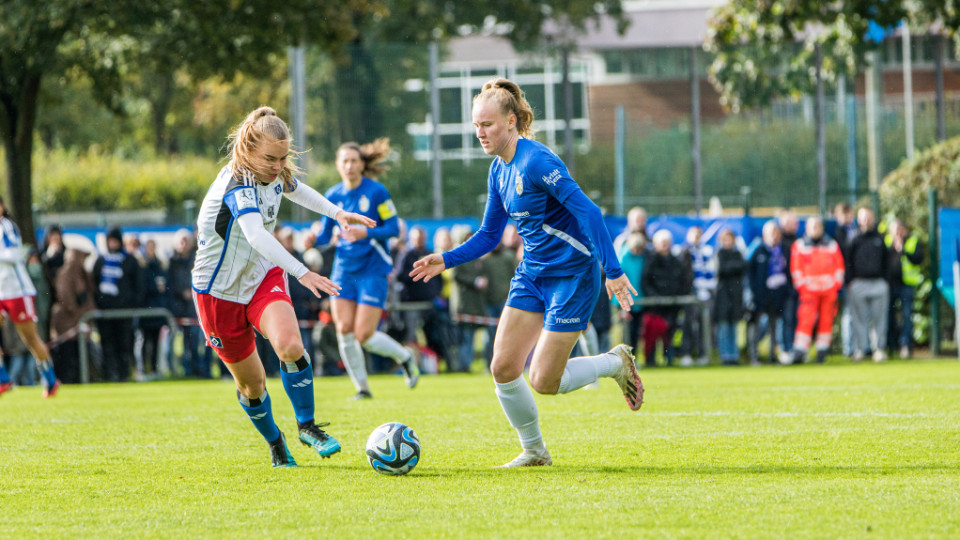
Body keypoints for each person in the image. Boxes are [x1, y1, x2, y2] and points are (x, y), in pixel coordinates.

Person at [409, 78, 643, 468]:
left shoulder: (537, 161)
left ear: (512, 121)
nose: (480, 133)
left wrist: (613, 271)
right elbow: (488, 236)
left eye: (487, 125)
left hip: (572, 275)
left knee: (544, 381)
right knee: (502, 367)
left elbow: (589, 212)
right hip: (533, 273)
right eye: (475, 126)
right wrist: (446, 259)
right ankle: (535, 452)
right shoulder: (498, 171)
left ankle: (615, 363)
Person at [191, 106, 375, 467]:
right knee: (253, 386)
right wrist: (301, 271)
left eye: (282, 158)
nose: (277, 166)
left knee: (290, 345)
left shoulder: (273, 172)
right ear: (249, 149)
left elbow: (295, 188)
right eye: (270, 159)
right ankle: (276, 442)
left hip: (261, 276)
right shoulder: (237, 184)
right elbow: (257, 234)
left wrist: (336, 213)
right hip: (217, 293)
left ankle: (307, 426)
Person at [313, 138, 420, 400]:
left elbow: (394, 229)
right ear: (338, 165)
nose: (349, 165)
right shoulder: (332, 195)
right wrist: (312, 239)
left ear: (362, 164)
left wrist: (366, 232)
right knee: (344, 330)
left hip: (372, 269)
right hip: (343, 271)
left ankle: (405, 357)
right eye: (344, 161)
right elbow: (325, 235)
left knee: (364, 334)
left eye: (354, 160)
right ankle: (362, 388)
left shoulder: (377, 192)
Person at [0, 196, 60, 397]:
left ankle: (50, 379)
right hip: (1, 292)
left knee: (30, 339)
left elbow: (14, 255)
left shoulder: (6, 226)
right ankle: (3, 379)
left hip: (18, 291)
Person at [789, 217, 844, 364]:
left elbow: (839, 268)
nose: (815, 230)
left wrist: (834, 286)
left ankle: (822, 351)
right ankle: (800, 351)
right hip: (808, 291)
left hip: (828, 291)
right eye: (813, 227)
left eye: (818, 226)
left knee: (826, 321)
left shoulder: (831, 245)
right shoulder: (800, 246)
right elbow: (796, 269)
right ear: (807, 228)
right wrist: (803, 286)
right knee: (805, 321)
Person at [92, 226, 142, 382]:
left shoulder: (130, 261)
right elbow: (94, 285)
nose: (112, 244)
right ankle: (110, 374)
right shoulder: (100, 262)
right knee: (108, 345)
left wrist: (130, 303)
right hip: (105, 314)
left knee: (125, 345)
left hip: (124, 313)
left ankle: (124, 374)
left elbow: (139, 286)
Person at [846, 208, 889, 362]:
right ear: (858, 219)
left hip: (878, 283)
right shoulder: (853, 238)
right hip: (858, 283)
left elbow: (886, 261)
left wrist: (885, 281)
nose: (866, 220)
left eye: (869, 217)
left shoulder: (880, 238)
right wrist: (850, 281)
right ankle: (860, 349)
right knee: (858, 319)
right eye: (863, 218)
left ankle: (879, 349)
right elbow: (848, 261)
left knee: (879, 319)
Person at [50, 242, 96, 384]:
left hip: (77, 323)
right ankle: (67, 380)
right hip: (69, 324)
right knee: (67, 355)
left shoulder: (82, 274)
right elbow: (66, 299)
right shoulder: (66, 274)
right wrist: (75, 311)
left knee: (79, 355)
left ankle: (78, 379)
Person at [641, 230, 688, 366]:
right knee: (653, 334)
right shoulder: (651, 261)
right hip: (655, 307)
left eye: (667, 243)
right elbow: (646, 281)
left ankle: (670, 359)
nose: (665, 246)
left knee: (670, 335)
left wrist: (676, 297)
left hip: (672, 306)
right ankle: (651, 361)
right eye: (662, 243)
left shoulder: (676, 261)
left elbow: (682, 280)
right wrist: (654, 296)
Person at [748, 221, 788, 365]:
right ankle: (754, 356)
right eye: (772, 233)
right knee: (757, 327)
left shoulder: (782, 250)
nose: (774, 236)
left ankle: (773, 355)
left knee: (774, 328)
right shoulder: (757, 250)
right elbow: (750, 273)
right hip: (760, 296)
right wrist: (754, 293)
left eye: (777, 232)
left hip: (776, 295)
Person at [677, 225, 716, 366]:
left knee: (704, 326)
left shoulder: (707, 252)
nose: (696, 238)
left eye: (699, 235)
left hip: (706, 293)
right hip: (692, 293)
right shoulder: (684, 252)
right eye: (694, 234)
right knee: (689, 324)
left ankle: (702, 354)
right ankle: (686, 354)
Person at [884, 220, 923, 359]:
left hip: (906, 285)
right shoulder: (886, 241)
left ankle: (906, 345)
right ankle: (891, 346)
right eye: (895, 230)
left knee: (907, 316)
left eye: (900, 229)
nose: (898, 233)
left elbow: (918, 259)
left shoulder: (912, 241)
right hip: (890, 286)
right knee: (889, 317)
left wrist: (903, 250)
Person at [714, 229, 746, 365]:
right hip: (723, 296)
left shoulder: (737, 253)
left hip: (735, 296)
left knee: (733, 326)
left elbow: (743, 267)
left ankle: (734, 355)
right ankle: (725, 355)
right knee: (724, 326)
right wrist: (735, 267)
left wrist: (731, 267)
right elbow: (722, 269)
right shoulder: (720, 253)